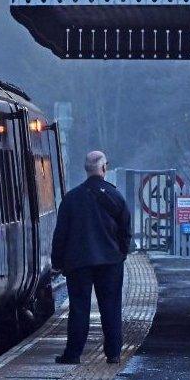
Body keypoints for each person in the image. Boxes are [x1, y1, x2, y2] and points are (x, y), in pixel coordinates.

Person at [51, 150, 132, 365]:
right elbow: (125, 230)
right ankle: (113, 354)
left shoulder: (71, 198)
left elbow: (60, 234)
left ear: (86, 169)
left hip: (78, 263)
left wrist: (57, 262)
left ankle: (73, 354)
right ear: (104, 168)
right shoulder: (115, 196)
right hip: (109, 262)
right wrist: (121, 254)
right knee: (111, 307)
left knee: (79, 308)